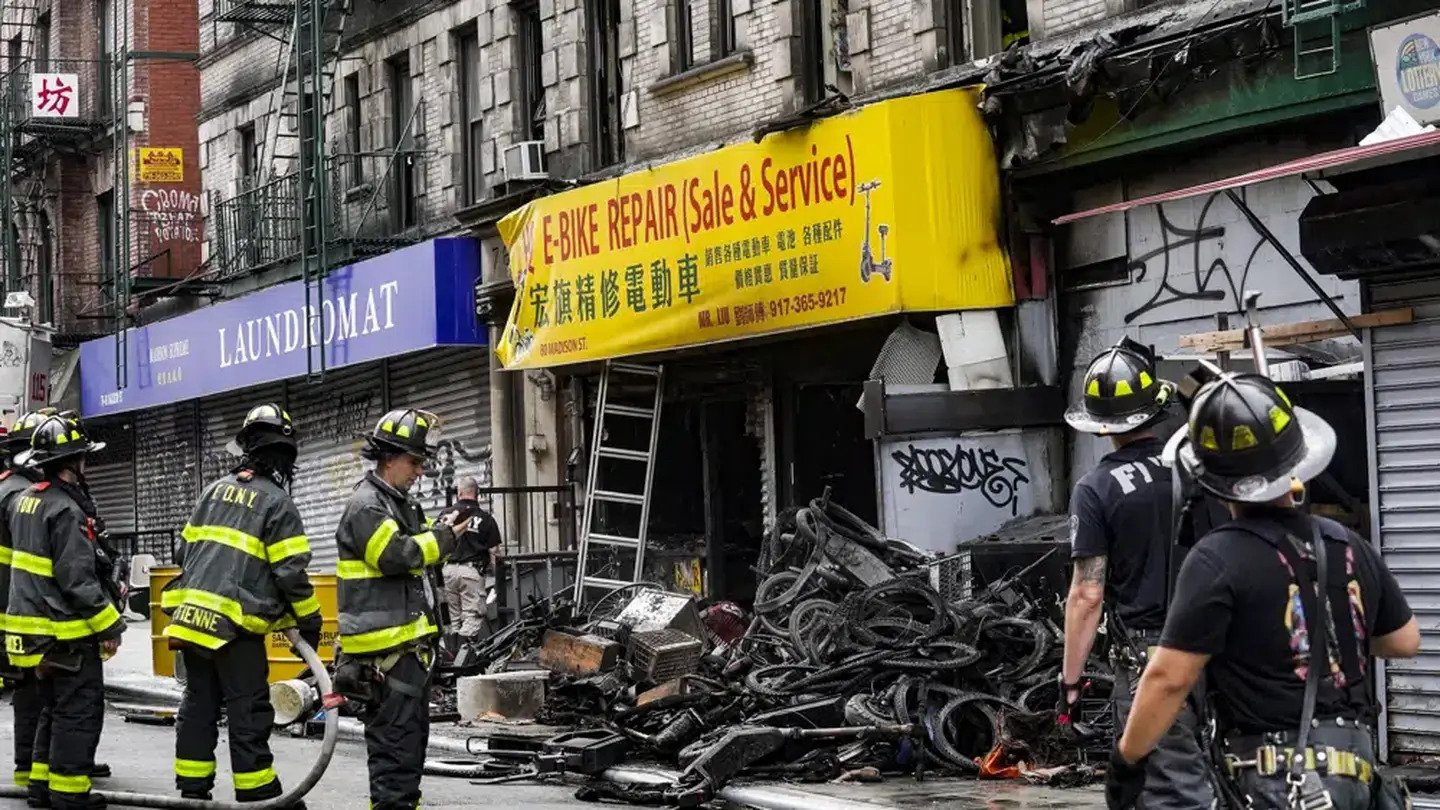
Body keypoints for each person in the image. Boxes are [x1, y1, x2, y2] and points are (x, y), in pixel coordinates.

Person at [1108, 373, 1420, 809]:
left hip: (1275, 782)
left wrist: (1127, 759)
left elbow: (1168, 678)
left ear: (1206, 477)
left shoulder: (1216, 559)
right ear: (1298, 459)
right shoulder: (1345, 544)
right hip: (1358, 776)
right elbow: (1403, 641)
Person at [1061, 337, 1215, 810]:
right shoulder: (1201, 469)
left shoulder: (1096, 489)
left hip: (1151, 656)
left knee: (1165, 787)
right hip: (1219, 644)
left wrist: (1071, 681)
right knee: (1221, 773)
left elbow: (1087, 595)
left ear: (1099, 425)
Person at [161, 404, 321, 805]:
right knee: (248, 709)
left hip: (191, 622)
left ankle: (192, 792)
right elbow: (290, 573)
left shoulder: (212, 491)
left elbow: (184, 552)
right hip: (234, 628)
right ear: (286, 456)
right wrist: (310, 619)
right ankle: (258, 794)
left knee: (198, 706)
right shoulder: (277, 502)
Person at [335, 408, 470, 810]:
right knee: (396, 763)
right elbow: (397, 554)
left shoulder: (399, 505)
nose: (420, 472)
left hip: (407, 656)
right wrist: (442, 539)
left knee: (407, 759)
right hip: (385, 661)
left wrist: (442, 534)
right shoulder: (366, 506)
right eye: (414, 462)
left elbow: (420, 551)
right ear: (388, 458)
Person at [6, 415, 124, 810]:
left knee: (51, 710)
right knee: (78, 712)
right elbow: (77, 580)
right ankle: (70, 795)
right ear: (74, 462)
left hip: (31, 633)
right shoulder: (66, 510)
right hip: (63, 633)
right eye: (84, 459)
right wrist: (112, 625)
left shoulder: (27, 500)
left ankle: (41, 788)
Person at [442, 476, 503, 651]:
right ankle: (464, 656)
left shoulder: (445, 515)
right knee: (473, 616)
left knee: (454, 618)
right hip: (471, 572)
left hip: (448, 570)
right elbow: (494, 551)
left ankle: (452, 654)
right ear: (477, 494)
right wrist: (496, 575)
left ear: (459, 493)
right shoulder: (485, 518)